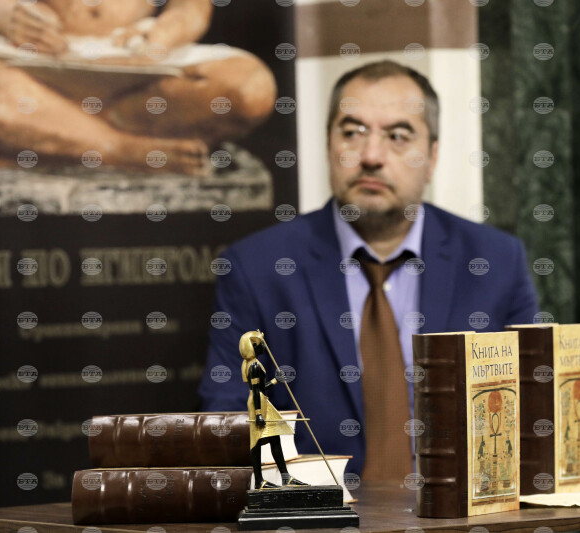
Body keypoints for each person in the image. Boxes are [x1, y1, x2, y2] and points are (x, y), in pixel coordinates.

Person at [199, 60, 539, 478]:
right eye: (352, 132)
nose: (371, 156)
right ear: (328, 145)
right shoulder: (258, 268)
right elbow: (229, 420)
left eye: (398, 136)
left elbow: (532, 415)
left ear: (432, 157)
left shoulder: (494, 262)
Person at [0, 0, 275, 174]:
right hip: (36, 61)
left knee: (251, 89)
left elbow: (191, 6)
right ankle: (124, 150)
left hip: (137, 67)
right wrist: (8, 15)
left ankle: (40, 135)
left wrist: (162, 36)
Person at [239, 330, 307, 490]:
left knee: (274, 439)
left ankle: (285, 477)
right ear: (253, 346)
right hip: (259, 404)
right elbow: (257, 391)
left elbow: (260, 388)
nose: (264, 346)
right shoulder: (254, 365)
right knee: (256, 443)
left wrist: (276, 380)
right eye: (261, 344)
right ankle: (259, 481)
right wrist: (258, 414)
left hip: (260, 401)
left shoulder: (251, 363)